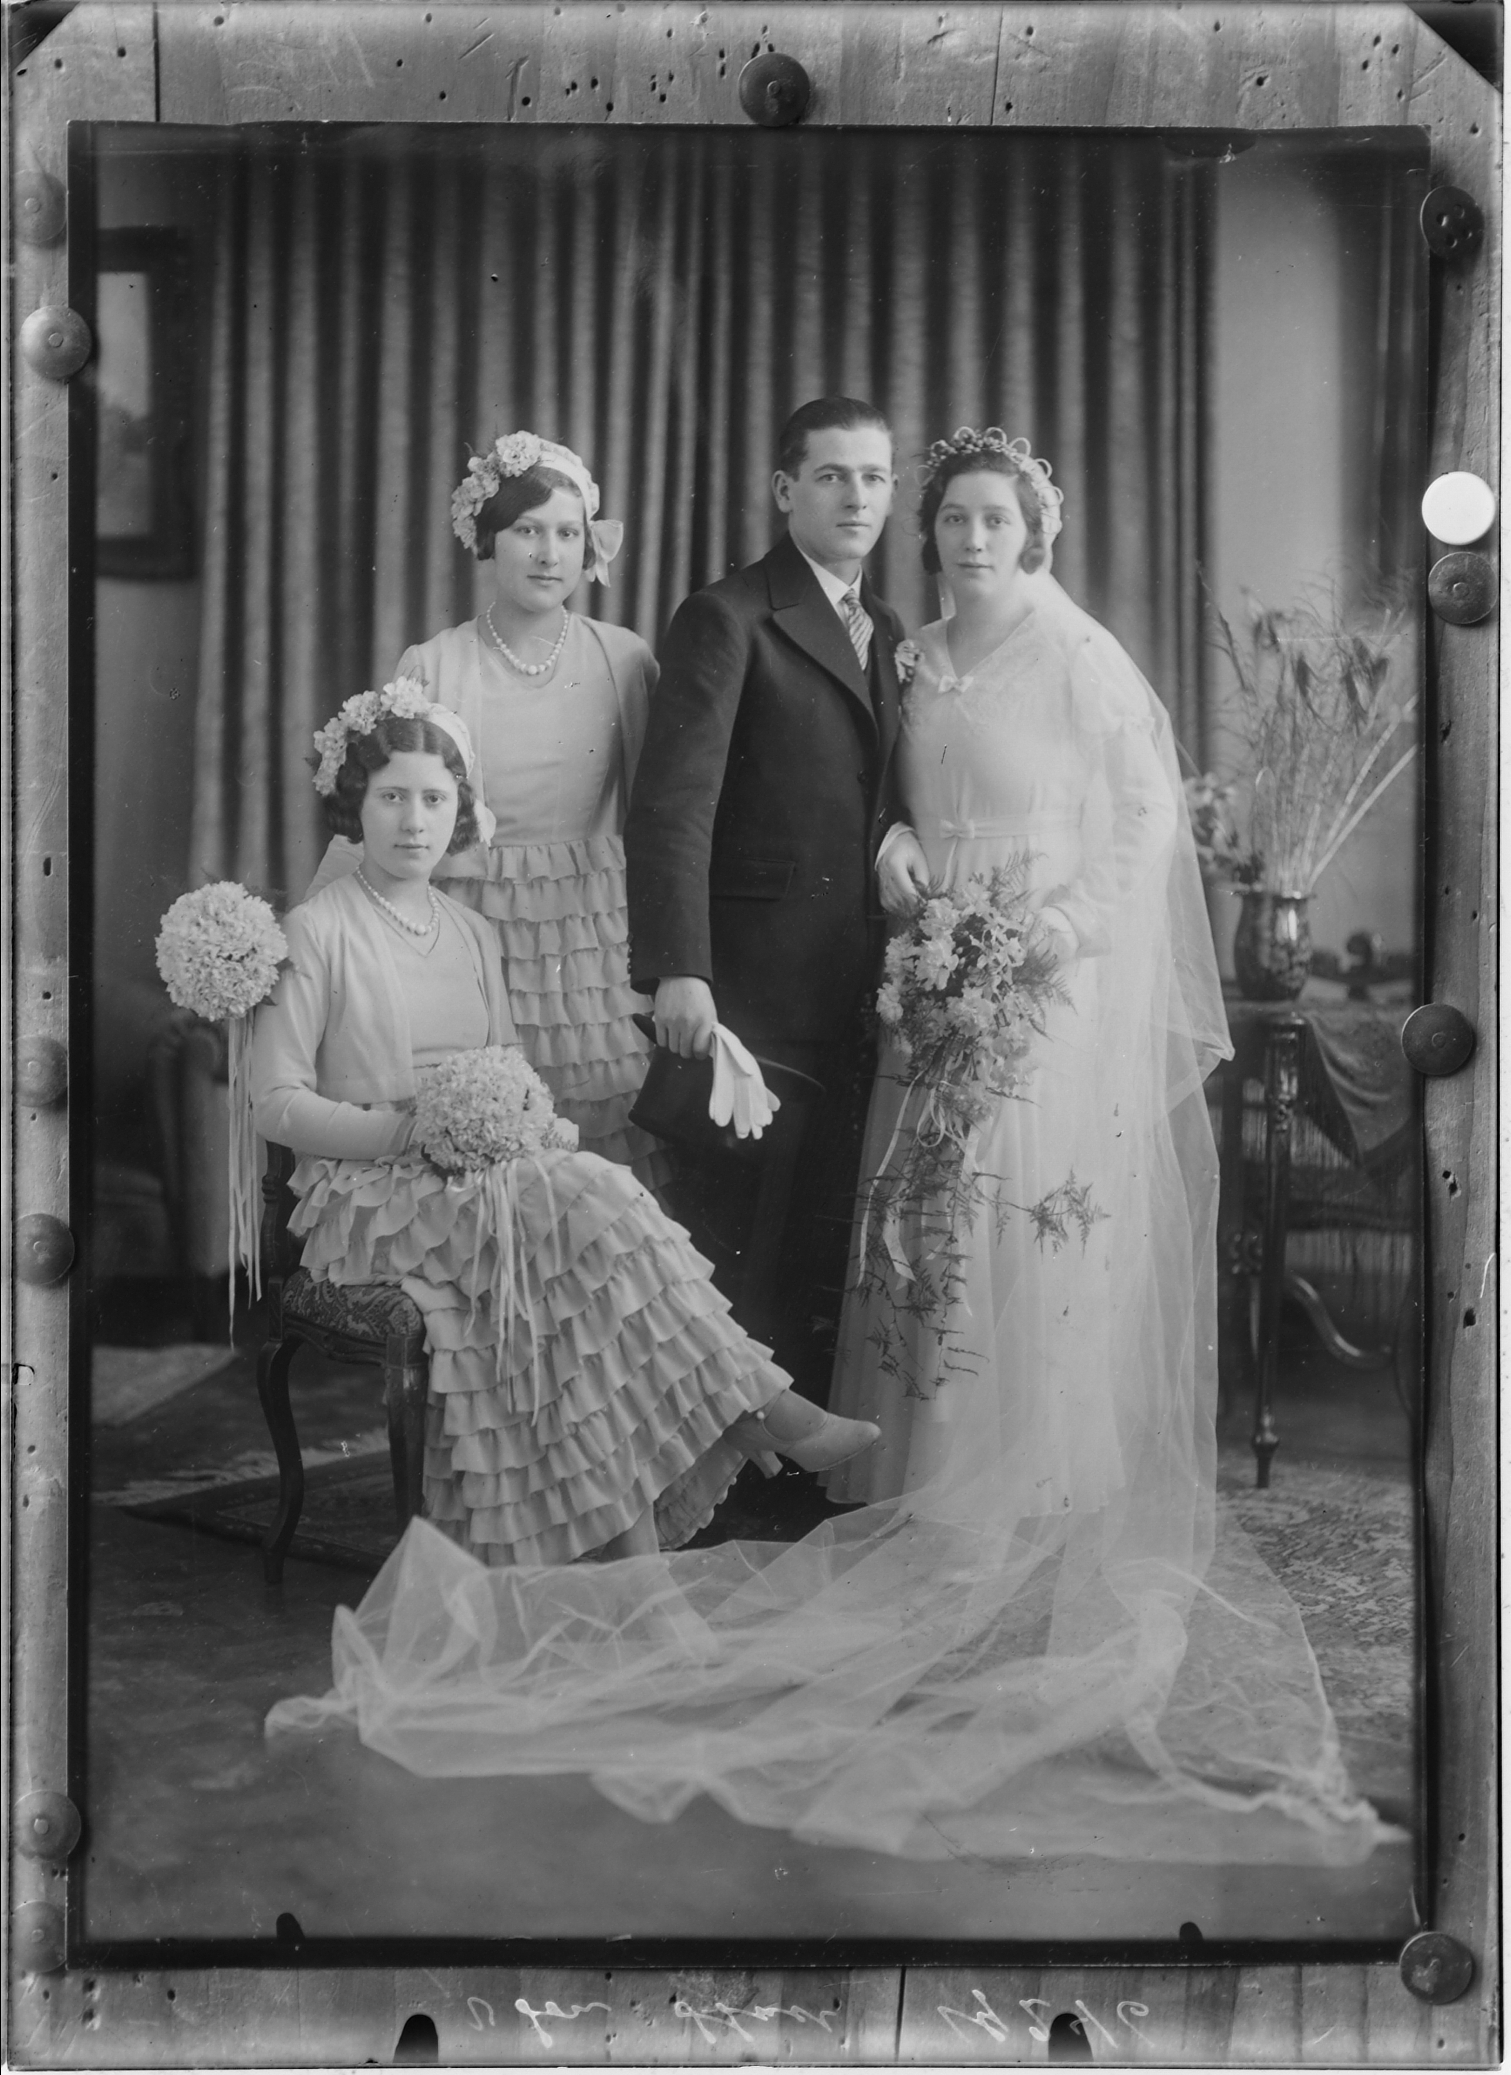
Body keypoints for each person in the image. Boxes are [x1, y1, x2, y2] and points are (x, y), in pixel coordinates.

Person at [268, 442, 1390, 1878]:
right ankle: (729, 1465)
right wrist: (819, 888)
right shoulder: (865, 646)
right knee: (851, 1215)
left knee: (967, 1213)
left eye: (988, 515)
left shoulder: (1039, 652)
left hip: (999, 961)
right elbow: (709, 804)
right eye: (949, 515)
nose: (962, 533)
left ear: (1034, 531)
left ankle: (963, 1470)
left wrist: (1036, 925)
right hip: (833, 971)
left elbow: (1124, 814)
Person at [255, 694, 879, 1567]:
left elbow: (507, 1060)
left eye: (434, 798)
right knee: (587, 1212)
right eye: (392, 797)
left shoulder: (472, 931)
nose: (414, 820)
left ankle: (641, 1545)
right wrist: (406, 1134)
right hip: (368, 1196)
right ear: (354, 804)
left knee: (583, 1254)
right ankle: (752, 1407)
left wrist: (518, 1120)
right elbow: (275, 1103)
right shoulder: (316, 930)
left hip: (478, 1175)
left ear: (460, 810)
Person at [624, 397, 908, 1388]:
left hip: (854, 992)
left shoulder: (888, 629)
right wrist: (679, 970)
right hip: (751, 996)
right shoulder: (728, 615)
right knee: (739, 1259)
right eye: (831, 476)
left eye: (872, 477)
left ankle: (794, 1462)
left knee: (818, 1254)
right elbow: (673, 807)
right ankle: (729, 1464)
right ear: (785, 489)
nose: (854, 496)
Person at [307, 432, 666, 1193]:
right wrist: (315, 924)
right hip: (467, 926)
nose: (549, 554)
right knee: (471, 1151)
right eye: (528, 530)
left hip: (591, 937)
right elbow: (390, 811)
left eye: (567, 533)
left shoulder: (624, 658)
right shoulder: (434, 663)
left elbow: (656, 813)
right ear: (487, 539)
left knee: (592, 1150)